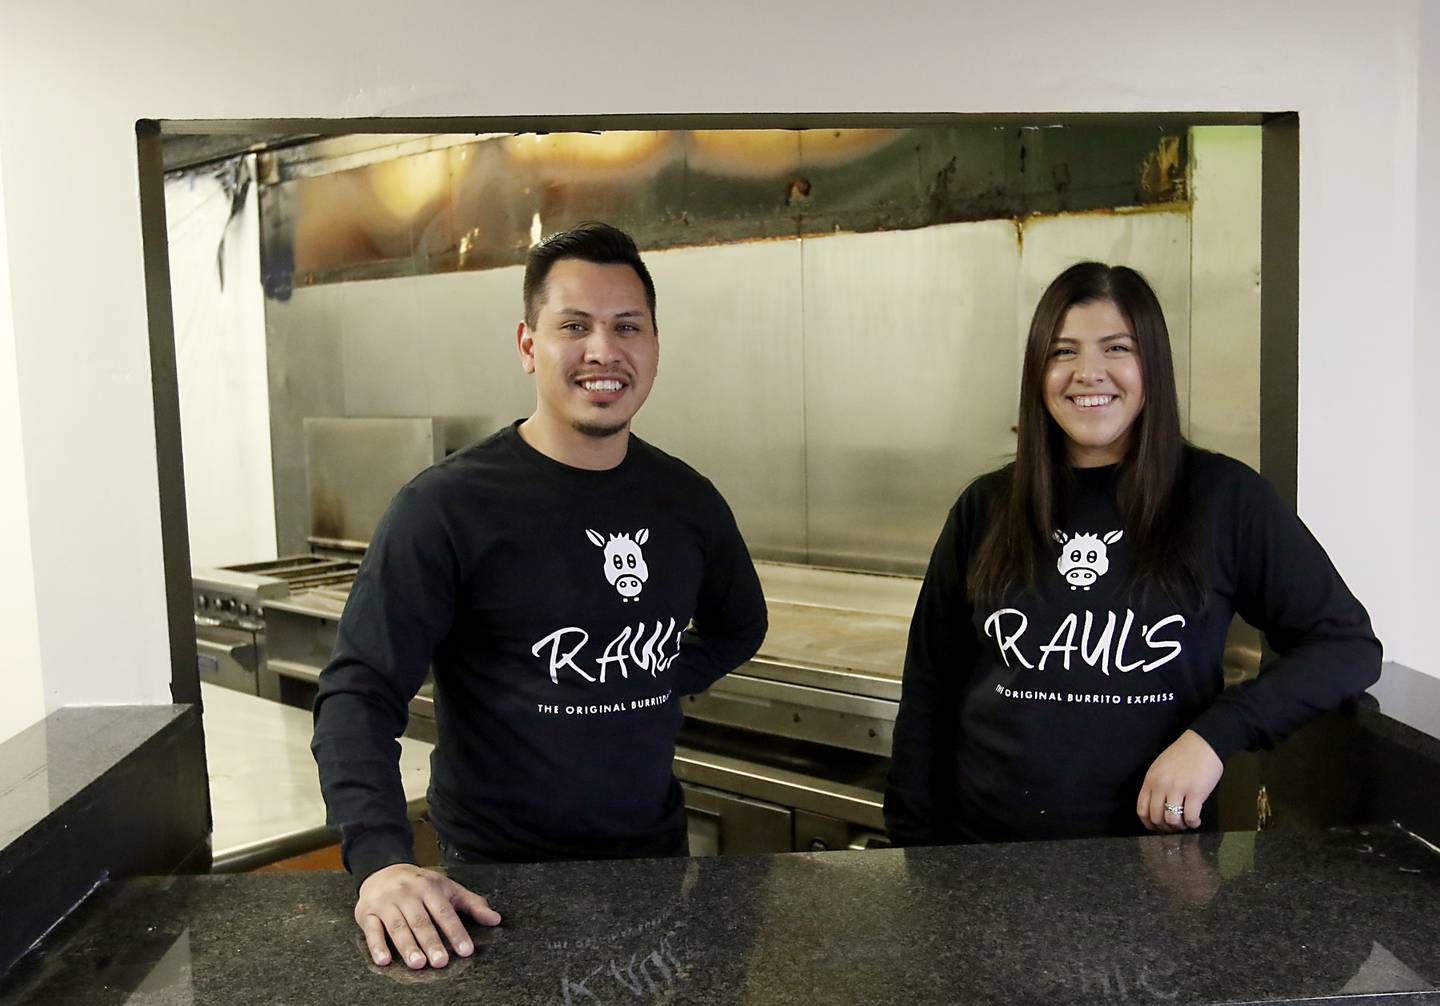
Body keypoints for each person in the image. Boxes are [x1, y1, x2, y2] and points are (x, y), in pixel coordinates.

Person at [311, 222, 768, 970]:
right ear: (529, 345)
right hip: (495, 888)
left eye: (627, 327)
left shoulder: (685, 500)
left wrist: (648, 674)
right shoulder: (447, 509)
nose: (603, 351)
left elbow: (739, 625)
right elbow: (359, 694)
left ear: (654, 345)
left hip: (654, 866)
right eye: (574, 327)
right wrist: (381, 861)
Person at [884, 261, 1381, 847]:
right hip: (986, 862)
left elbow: (1345, 645)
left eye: (1116, 348)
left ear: (1152, 366)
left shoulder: (1222, 499)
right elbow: (928, 691)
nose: (1087, 373)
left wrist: (1215, 734)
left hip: (1153, 864)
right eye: (1062, 352)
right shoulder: (984, 507)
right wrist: (912, 856)